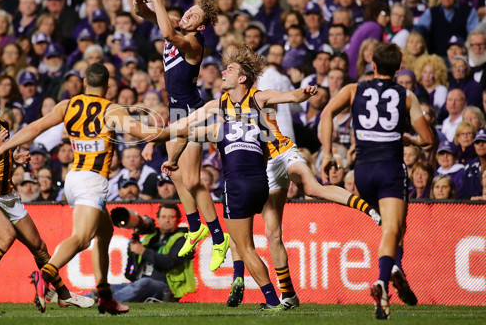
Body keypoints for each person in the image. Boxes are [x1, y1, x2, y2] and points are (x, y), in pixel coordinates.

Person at [163, 42, 381, 310]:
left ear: (242, 78)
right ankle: (287, 294)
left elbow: (289, 96)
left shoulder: (258, 96)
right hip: (261, 166)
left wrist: (303, 93)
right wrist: (165, 137)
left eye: (228, 69)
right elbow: (185, 124)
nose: (222, 72)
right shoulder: (217, 104)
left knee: (311, 187)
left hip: (282, 152)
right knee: (272, 233)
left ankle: (365, 207)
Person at [0, 63, 185, 314]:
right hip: (92, 181)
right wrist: (184, 129)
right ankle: (46, 275)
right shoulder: (112, 110)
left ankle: (105, 296)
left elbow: (34, 128)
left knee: (104, 233)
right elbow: (148, 133)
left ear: (84, 83)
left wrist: (4, 148)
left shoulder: (67, 105)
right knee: (81, 239)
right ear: (108, 87)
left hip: (74, 177)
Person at [320, 42, 433, 320]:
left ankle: (396, 267)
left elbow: (326, 114)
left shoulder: (352, 89)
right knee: (393, 229)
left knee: (394, 227)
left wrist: (326, 153)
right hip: (390, 169)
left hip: (363, 171)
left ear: (372, 65)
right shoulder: (406, 96)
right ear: (398, 67)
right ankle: (384, 279)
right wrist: (410, 139)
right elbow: (428, 140)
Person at [133, 0, 230, 272]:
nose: (188, 15)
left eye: (195, 16)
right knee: (175, 175)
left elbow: (164, 29)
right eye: (189, 11)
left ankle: (218, 238)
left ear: (201, 27)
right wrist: (142, 5)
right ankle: (194, 227)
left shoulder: (193, 43)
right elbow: (147, 16)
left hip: (191, 112)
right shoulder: (177, 24)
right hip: (177, 110)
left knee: (191, 179)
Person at [0, 88, 91, 309]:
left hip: (9, 196)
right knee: (6, 236)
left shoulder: (3, 125)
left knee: (39, 247)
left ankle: (63, 294)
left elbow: (4, 153)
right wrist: (0, 147)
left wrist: (14, 155)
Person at [109, 203, 195, 302]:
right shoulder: (151, 237)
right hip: (139, 283)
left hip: (166, 286)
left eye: (171, 217)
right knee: (109, 288)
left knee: (145, 283)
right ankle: (91, 299)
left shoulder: (184, 239)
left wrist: (143, 251)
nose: (167, 220)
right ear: (157, 219)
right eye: (163, 217)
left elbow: (170, 262)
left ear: (178, 220)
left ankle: (110, 301)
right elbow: (131, 270)